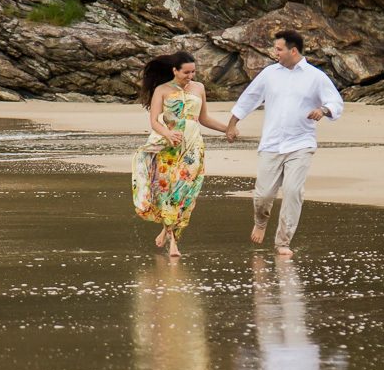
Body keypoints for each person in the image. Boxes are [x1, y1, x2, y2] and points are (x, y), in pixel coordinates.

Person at [224, 30, 343, 256]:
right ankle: (261, 221)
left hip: (301, 144)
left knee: (292, 191)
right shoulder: (270, 74)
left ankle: (283, 242)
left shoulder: (315, 76)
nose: (275, 53)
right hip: (271, 144)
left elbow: (335, 102)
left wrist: (323, 110)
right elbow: (249, 98)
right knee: (263, 196)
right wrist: (232, 124)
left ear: (293, 51)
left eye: (279, 49)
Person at [132, 51, 230, 258]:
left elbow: (203, 118)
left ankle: (167, 230)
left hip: (193, 147)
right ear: (174, 70)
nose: (190, 76)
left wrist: (227, 129)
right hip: (168, 148)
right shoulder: (162, 90)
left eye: (193, 72)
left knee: (186, 194)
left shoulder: (199, 88)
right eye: (186, 72)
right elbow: (154, 122)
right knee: (170, 192)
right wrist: (168, 133)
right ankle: (173, 243)